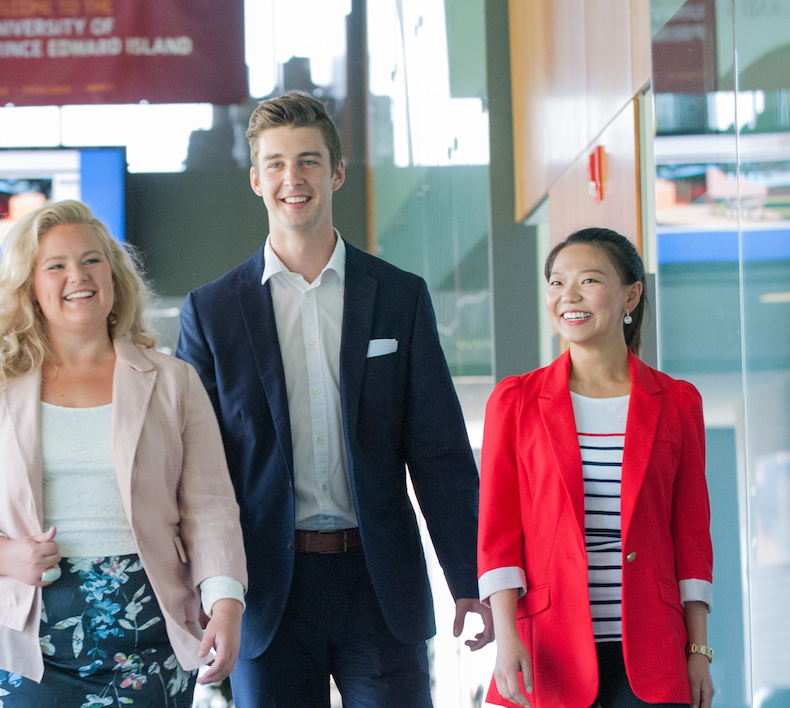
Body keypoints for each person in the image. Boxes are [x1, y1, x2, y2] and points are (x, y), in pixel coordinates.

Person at [173, 90, 493, 708]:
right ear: (256, 179)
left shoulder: (400, 296)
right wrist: (202, 591)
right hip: (264, 591)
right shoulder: (211, 313)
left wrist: (470, 580)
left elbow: (439, 452)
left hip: (378, 584)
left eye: (310, 160)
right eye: (276, 163)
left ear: (338, 172)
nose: (293, 178)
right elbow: (194, 473)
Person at [0, 200, 248, 708]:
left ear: (113, 276)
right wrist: (0, 553)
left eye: (92, 260)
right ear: (29, 286)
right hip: (14, 633)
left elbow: (210, 507)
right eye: (57, 265)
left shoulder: (173, 381)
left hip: (147, 631)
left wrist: (224, 603)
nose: (79, 275)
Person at [479, 228, 713, 708]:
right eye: (557, 282)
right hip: (549, 648)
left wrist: (698, 650)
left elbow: (691, 537)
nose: (569, 296)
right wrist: (506, 639)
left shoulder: (678, 402)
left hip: (653, 652)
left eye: (588, 280)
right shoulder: (516, 400)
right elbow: (498, 535)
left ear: (631, 294)